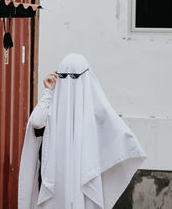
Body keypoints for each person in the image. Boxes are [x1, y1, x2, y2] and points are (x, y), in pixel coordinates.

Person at [18, 53, 146, 209]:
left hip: (84, 180)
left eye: (74, 76)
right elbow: (37, 122)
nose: (70, 82)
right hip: (56, 181)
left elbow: (117, 133)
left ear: (85, 77)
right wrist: (48, 92)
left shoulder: (96, 109)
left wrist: (129, 147)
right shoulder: (52, 107)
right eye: (64, 76)